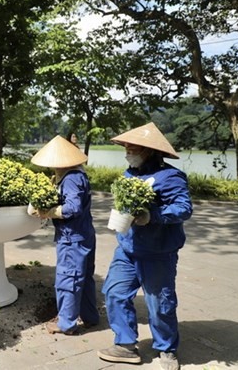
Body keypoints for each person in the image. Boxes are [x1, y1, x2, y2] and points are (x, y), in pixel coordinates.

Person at [97, 122, 193, 370]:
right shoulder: (129, 175)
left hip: (158, 252)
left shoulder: (170, 177)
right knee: (114, 293)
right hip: (127, 250)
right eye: (126, 147)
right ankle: (125, 345)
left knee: (159, 303)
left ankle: (167, 349)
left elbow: (183, 208)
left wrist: (153, 216)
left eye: (132, 147)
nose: (127, 152)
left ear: (149, 150)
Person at [27, 135, 100, 335]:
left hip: (72, 238)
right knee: (84, 279)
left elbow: (73, 208)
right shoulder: (78, 174)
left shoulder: (71, 179)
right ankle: (90, 317)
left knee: (68, 278)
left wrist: (48, 212)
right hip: (83, 234)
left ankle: (66, 324)